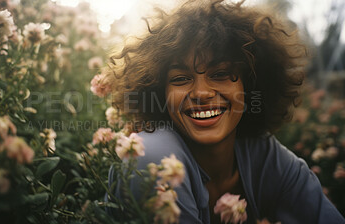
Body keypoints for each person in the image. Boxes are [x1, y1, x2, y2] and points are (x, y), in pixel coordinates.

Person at [105, 0, 345, 223]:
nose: (201, 93)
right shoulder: (151, 156)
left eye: (220, 74)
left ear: (250, 84)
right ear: (159, 93)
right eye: (180, 78)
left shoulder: (265, 155)